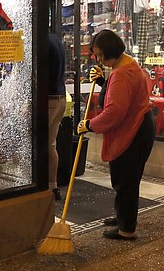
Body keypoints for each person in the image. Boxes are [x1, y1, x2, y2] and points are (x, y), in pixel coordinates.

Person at [77, 29, 155, 241]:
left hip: (133, 130)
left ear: (111, 51)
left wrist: (90, 124)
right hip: (141, 126)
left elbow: (114, 111)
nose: (99, 60)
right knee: (128, 179)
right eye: (97, 56)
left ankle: (126, 229)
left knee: (125, 180)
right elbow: (119, 94)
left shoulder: (121, 73)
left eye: (101, 55)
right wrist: (103, 82)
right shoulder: (127, 63)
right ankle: (123, 216)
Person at [48, 33, 67, 201]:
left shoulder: (42, 42)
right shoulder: (56, 39)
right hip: (60, 97)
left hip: (48, 99)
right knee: (50, 144)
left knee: (41, 144)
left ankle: (45, 187)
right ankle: (52, 186)